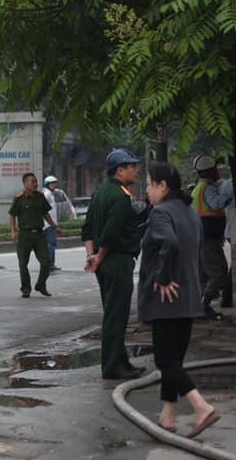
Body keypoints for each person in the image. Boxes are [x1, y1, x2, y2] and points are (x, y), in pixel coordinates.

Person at [137, 162, 219, 437]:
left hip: (167, 299)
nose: (147, 190)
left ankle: (200, 406)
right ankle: (167, 417)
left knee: (165, 361)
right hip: (188, 297)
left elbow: (169, 244)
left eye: (149, 184)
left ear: (163, 186)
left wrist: (161, 278)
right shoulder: (189, 211)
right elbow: (195, 258)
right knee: (174, 360)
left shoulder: (160, 212)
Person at [82, 149, 145, 380]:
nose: (135, 170)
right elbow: (110, 233)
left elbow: (87, 228)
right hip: (116, 260)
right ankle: (112, 367)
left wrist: (93, 255)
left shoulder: (100, 192)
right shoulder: (120, 196)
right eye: (132, 166)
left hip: (104, 261)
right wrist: (100, 255)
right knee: (116, 316)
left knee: (113, 314)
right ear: (120, 170)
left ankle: (120, 361)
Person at [191, 155, 234, 320]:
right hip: (207, 240)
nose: (218, 172)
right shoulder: (207, 188)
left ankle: (199, 306)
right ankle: (203, 306)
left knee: (206, 275)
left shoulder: (199, 187)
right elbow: (216, 204)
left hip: (206, 238)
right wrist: (228, 195)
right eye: (216, 169)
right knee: (219, 273)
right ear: (210, 171)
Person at [9, 173, 60, 297]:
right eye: (33, 182)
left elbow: (45, 213)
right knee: (23, 263)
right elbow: (12, 215)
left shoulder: (40, 196)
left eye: (36, 181)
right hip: (24, 235)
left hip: (39, 234)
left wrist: (54, 226)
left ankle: (41, 285)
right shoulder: (19, 198)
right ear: (25, 183)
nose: (35, 184)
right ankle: (26, 288)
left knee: (46, 262)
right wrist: (13, 232)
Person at [43, 175, 75, 272]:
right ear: (47, 184)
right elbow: (44, 211)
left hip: (50, 224)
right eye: (52, 183)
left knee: (50, 244)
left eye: (55, 183)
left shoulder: (52, 194)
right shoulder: (46, 195)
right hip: (47, 224)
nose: (54, 185)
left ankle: (48, 264)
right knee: (50, 244)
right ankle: (50, 264)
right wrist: (52, 224)